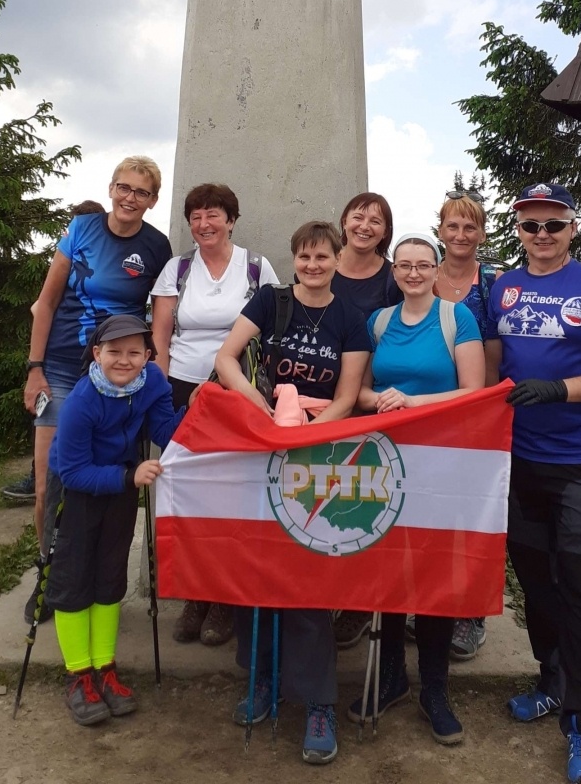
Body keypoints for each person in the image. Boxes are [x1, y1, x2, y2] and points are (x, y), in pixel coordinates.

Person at [484, 182, 581, 784]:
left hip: (580, 463)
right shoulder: (504, 287)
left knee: (580, 584)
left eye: (553, 225)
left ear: (571, 228)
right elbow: (493, 371)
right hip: (519, 460)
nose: (541, 236)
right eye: (530, 226)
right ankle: (552, 679)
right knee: (535, 582)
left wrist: (561, 390)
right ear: (518, 230)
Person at [214, 220, 370, 766]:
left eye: (322, 256)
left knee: (306, 582)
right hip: (261, 446)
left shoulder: (351, 317)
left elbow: (349, 396)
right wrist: (262, 418)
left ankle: (320, 703)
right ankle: (262, 681)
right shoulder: (270, 301)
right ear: (295, 259)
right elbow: (226, 360)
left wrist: (308, 433)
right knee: (256, 573)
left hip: (317, 457)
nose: (313, 265)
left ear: (336, 259)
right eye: (304, 256)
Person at [347, 233, 485, 746]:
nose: (411, 273)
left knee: (433, 569)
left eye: (421, 265)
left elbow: (473, 390)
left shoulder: (457, 318)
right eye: (403, 266)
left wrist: (412, 404)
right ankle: (389, 679)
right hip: (387, 458)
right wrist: (381, 399)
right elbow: (355, 389)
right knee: (386, 566)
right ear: (394, 271)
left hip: (442, 457)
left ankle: (435, 688)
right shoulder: (378, 322)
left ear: (435, 270)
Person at [23, 157, 171, 623]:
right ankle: (48, 576)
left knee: (104, 480)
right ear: (110, 188)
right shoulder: (82, 227)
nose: (130, 198)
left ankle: (93, 576)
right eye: (123, 187)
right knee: (49, 479)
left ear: (153, 200)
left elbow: (160, 315)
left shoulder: (156, 246)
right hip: (64, 368)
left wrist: (154, 375)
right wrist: (34, 368)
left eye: (141, 192)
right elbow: (45, 303)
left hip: (119, 375)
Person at [150, 183, 279, 646]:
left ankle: (225, 599)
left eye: (213, 215)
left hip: (236, 389)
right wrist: (158, 390)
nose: (204, 224)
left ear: (231, 219)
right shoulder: (177, 268)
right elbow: (160, 336)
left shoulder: (257, 267)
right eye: (196, 217)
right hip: (182, 386)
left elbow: (271, 329)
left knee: (229, 494)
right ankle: (195, 594)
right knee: (187, 491)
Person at [43, 314, 184, 726]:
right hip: (78, 491)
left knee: (109, 577)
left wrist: (197, 411)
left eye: (134, 352)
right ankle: (78, 675)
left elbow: (164, 428)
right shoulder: (82, 402)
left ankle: (105, 669)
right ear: (97, 353)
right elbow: (71, 471)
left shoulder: (154, 382)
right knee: (72, 582)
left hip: (121, 484)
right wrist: (129, 476)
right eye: (115, 352)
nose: (124, 361)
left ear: (148, 356)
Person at [328, 191, 401, 651]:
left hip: (368, 401)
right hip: (316, 397)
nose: (366, 225)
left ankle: (357, 602)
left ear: (385, 231)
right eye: (359, 215)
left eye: (377, 220)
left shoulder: (394, 278)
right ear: (344, 220)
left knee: (360, 505)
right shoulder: (318, 261)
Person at [1, 201, 108, 505]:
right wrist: (36, 366)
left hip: (94, 363)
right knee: (49, 434)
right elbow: (42, 306)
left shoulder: (99, 265)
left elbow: (39, 307)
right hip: (57, 362)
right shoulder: (67, 258)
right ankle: (39, 483)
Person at [434, 187, 500, 660]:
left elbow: (495, 355)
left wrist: (490, 409)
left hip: (476, 412)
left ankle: (470, 613)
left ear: (481, 232)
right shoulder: (416, 275)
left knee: (472, 518)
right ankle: (431, 606)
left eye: (469, 226)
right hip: (425, 413)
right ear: (440, 230)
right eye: (452, 225)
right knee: (430, 513)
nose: (460, 234)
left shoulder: (492, 283)